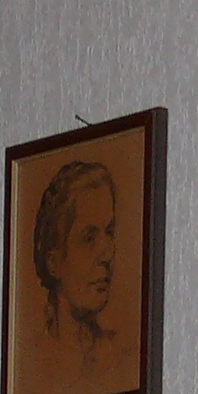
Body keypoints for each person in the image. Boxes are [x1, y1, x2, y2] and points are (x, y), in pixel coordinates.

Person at [31, 156, 123, 381]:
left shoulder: (122, 357)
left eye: (109, 233)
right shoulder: (32, 364)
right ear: (53, 261)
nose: (107, 254)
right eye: (89, 238)